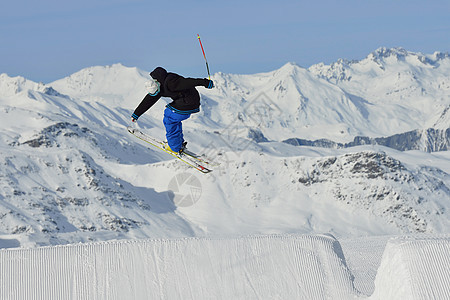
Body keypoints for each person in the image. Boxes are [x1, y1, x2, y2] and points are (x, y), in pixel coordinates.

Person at [131, 67, 214, 154]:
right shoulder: (158, 86)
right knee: (173, 119)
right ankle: (178, 143)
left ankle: (174, 147)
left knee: (169, 119)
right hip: (184, 102)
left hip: (188, 102)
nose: (156, 94)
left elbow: (189, 82)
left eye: (157, 92)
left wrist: (205, 82)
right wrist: (136, 114)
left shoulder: (171, 83)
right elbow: (149, 100)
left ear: (158, 85)